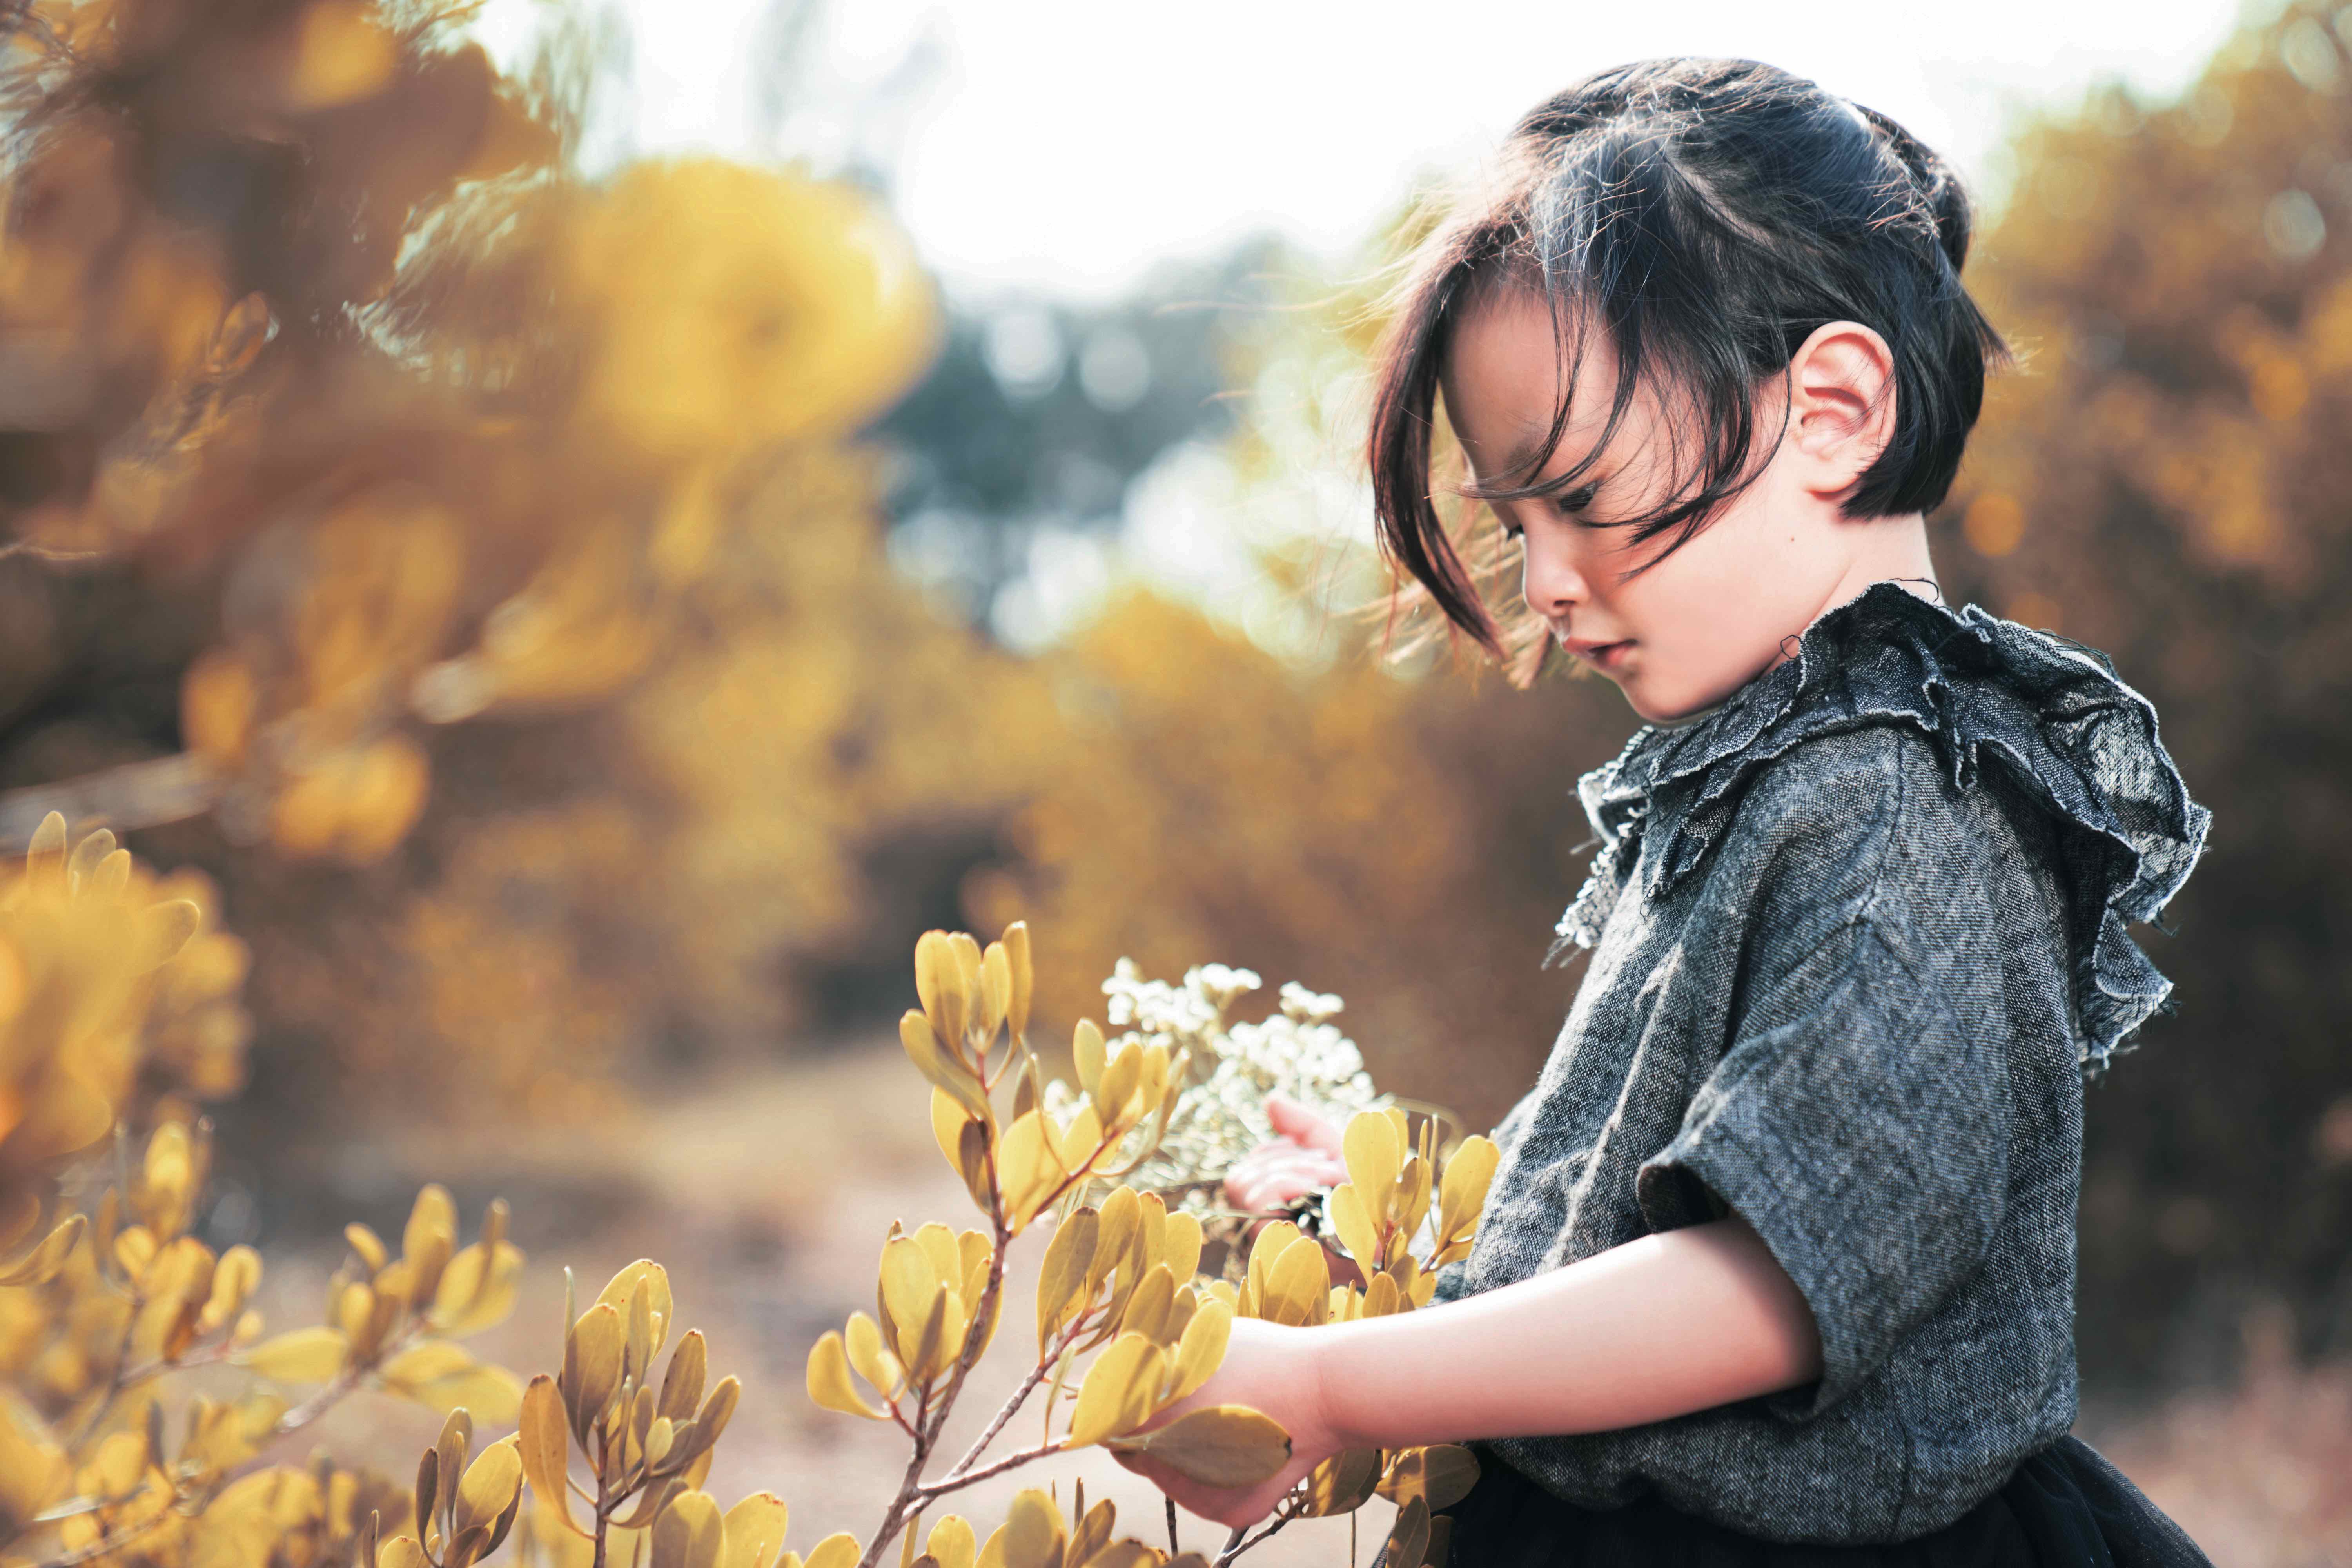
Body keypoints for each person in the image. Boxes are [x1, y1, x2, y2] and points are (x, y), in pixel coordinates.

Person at [1109, 57, 2219, 1565]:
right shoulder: (1778, 773)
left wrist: (1327, 1383)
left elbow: (1762, 1288)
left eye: (1580, 491)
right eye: (1516, 523)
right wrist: (1408, 1231)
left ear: (1830, 410)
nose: (1551, 580)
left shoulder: (1906, 809)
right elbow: (1651, 1243)